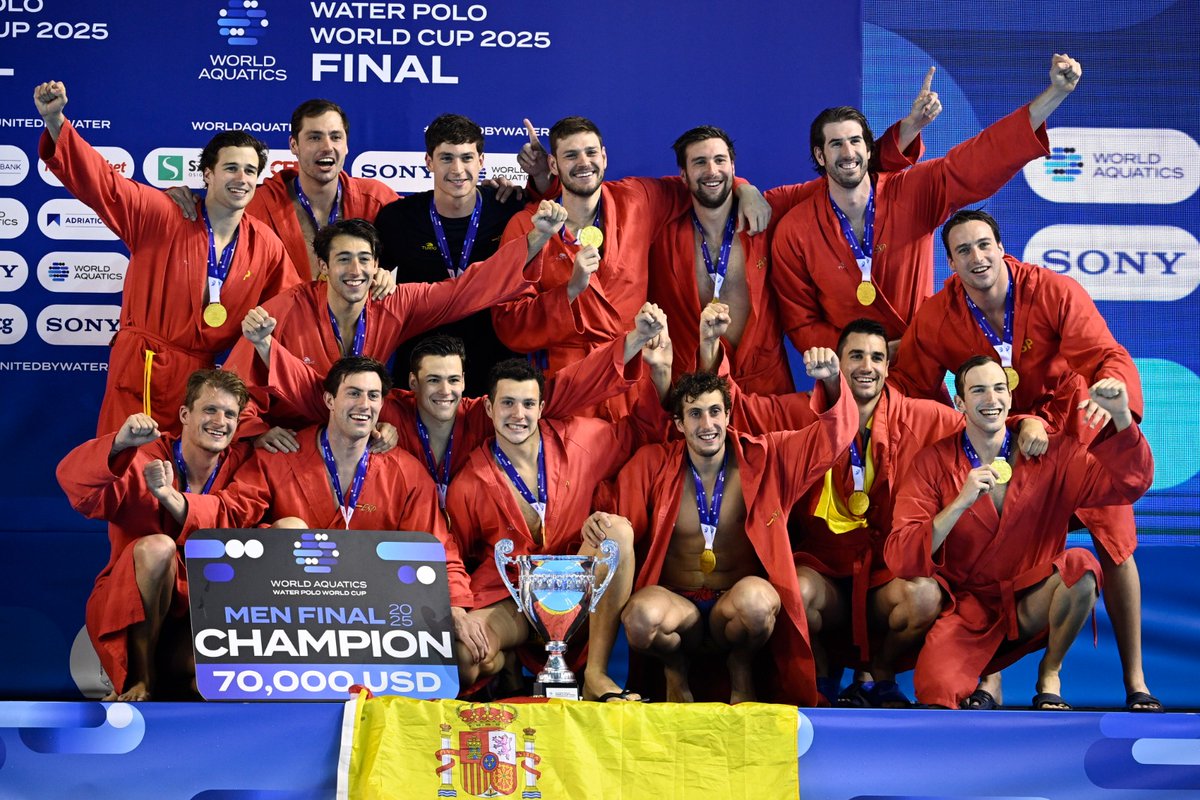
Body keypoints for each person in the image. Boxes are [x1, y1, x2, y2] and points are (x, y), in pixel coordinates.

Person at [889, 208, 1158, 710]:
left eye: (983, 245)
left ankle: (1136, 681)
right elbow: (909, 385)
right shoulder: (937, 314)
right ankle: (987, 679)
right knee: (993, 544)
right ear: (950, 264)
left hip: (1069, 431)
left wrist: (1115, 399)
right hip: (996, 435)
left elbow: (1105, 355)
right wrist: (952, 424)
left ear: (1001, 247)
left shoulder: (1053, 290)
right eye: (963, 250)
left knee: (1116, 540)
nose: (977, 257)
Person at [886, 357, 1153, 710]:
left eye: (999, 388)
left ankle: (1051, 670)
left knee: (1081, 568)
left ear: (1011, 398)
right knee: (935, 689)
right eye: (978, 390)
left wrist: (1121, 418)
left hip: (1031, 601)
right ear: (960, 402)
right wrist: (958, 505)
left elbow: (1129, 485)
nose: (991, 398)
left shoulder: (1056, 453)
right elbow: (901, 557)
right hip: (968, 613)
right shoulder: (932, 462)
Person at [34, 80, 299, 435]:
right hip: (142, 368)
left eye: (250, 171)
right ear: (208, 174)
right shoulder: (162, 214)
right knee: (131, 462)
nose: (242, 178)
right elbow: (104, 185)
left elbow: (295, 308)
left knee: (189, 467)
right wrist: (56, 122)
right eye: (231, 168)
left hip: (203, 384)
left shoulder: (265, 244)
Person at [771, 55, 1082, 355]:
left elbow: (981, 157)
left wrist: (1054, 94)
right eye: (836, 144)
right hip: (850, 372)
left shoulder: (912, 191)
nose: (848, 152)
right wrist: (865, 355)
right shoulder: (794, 231)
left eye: (855, 141)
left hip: (920, 363)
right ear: (820, 155)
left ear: (869, 150)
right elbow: (802, 324)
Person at [648, 81, 936, 393]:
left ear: (733, 165)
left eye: (720, 161)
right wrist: (744, 187)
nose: (712, 170)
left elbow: (847, 174)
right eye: (699, 162)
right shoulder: (663, 234)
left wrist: (909, 129)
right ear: (683, 174)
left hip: (766, 384)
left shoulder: (766, 211)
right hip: (692, 383)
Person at [491, 116, 772, 419]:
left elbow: (703, 183)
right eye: (571, 155)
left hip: (633, 387)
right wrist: (569, 291)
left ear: (604, 157)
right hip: (569, 388)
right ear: (553, 165)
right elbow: (509, 325)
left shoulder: (638, 199)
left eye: (591, 152)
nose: (584, 162)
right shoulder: (529, 227)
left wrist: (744, 189)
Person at [251, 305, 672, 507]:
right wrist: (266, 352)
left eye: (454, 380)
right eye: (433, 380)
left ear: (466, 383)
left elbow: (564, 390)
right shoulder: (386, 409)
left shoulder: (484, 414)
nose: (445, 391)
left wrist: (633, 340)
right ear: (412, 383)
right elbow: (321, 394)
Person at [444, 337, 672, 702]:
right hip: (513, 602)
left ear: (542, 407)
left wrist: (660, 372)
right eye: (507, 403)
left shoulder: (583, 441)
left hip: (577, 593)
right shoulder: (467, 484)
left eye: (528, 404)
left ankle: (595, 675)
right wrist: (465, 615)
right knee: (462, 657)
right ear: (488, 407)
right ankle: (502, 663)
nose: (518, 414)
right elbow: (463, 556)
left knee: (615, 532)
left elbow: (643, 429)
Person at [614, 367, 858, 706]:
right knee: (639, 619)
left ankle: (740, 665)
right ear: (679, 423)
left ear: (728, 416)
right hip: (676, 604)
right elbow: (619, 522)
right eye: (695, 414)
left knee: (758, 604)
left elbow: (834, 437)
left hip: (734, 603)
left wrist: (831, 379)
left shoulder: (767, 457)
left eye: (715, 411)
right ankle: (674, 667)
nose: (707, 424)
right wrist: (601, 521)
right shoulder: (651, 464)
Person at [224, 205, 566, 436]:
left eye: (364, 259)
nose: (355, 270)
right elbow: (235, 382)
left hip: (360, 434)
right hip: (297, 438)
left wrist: (537, 238)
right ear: (324, 267)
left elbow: (465, 290)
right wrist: (258, 432)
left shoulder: (392, 303)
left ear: (377, 265)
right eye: (343, 259)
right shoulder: (284, 308)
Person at [56, 369, 254, 701]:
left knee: (212, 685)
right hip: (131, 605)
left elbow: (237, 515)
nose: (220, 421)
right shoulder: (145, 457)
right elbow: (75, 483)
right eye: (210, 409)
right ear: (185, 414)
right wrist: (119, 444)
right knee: (158, 547)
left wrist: (170, 498)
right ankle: (140, 675)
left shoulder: (246, 462)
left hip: (201, 615)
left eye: (230, 414)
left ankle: (180, 677)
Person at [374, 115, 552, 396]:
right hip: (422, 368)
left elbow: (558, 213)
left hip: (496, 364)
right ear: (429, 161)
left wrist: (542, 175)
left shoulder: (508, 207)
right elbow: (369, 277)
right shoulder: (397, 218)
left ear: (481, 161)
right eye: (446, 158)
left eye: (467, 158)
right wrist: (378, 276)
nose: (457, 169)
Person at [172, 99, 398, 284]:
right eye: (315, 137)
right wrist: (172, 202)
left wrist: (384, 277)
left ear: (346, 145)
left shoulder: (376, 200)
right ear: (293, 145)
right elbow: (206, 218)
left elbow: (417, 219)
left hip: (356, 324)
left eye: (336, 137)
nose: (327, 146)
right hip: (280, 323)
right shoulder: (256, 203)